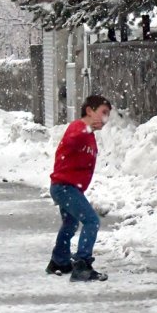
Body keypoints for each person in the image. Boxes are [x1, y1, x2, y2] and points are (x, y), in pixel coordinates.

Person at [45, 95, 112, 282]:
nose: (106, 119)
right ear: (89, 110)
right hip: (64, 187)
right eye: (103, 113)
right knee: (91, 221)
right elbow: (71, 140)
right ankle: (82, 265)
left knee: (71, 224)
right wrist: (87, 128)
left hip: (67, 187)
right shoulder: (79, 128)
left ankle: (59, 261)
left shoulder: (88, 134)